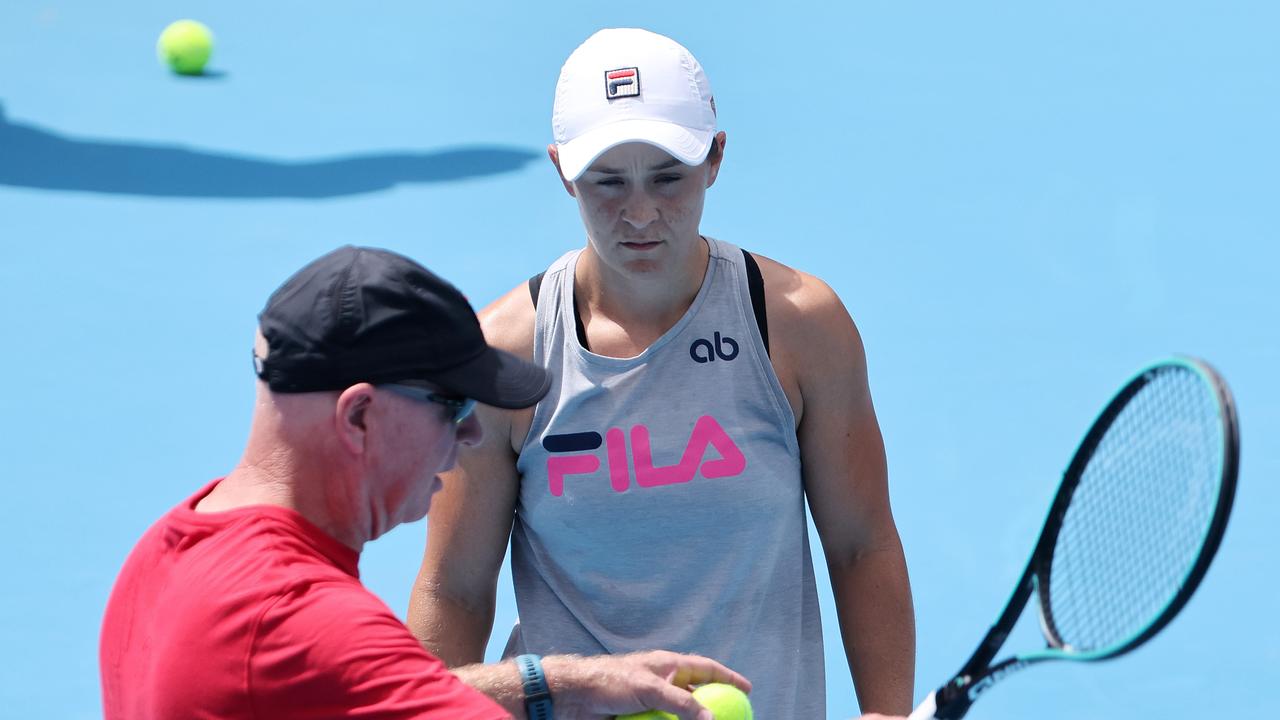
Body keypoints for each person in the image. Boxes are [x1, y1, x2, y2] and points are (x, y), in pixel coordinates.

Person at [406, 28, 917, 718]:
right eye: (608, 182)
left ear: (715, 158)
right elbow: (455, 589)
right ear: (563, 170)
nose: (639, 213)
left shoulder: (800, 326)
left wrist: (886, 711)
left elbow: (861, 543)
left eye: (667, 178)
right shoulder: (505, 354)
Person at [99, 245, 755, 720]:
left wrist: (561, 681)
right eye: (454, 406)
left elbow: (345, 695)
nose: (472, 437)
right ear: (359, 414)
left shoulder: (162, 556)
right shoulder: (309, 626)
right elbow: (345, 672)